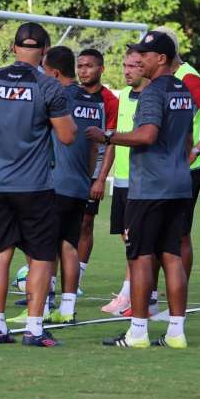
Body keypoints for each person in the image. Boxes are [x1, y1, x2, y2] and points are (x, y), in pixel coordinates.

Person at [0, 22, 75, 347]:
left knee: (0, 255)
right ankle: (34, 328)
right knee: (42, 257)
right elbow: (68, 136)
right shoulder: (48, 86)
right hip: (35, 186)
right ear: (44, 51)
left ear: (14, 48)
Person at [87, 31, 194, 348]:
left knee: (141, 258)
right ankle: (176, 333)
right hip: (178, 184)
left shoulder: (153, 92)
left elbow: (147, 135)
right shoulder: (183, 90)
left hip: (149, 187)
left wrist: (107, 137)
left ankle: (138, 332)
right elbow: (186, 140)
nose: (139, 60)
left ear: (160, 59)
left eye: (144, 55)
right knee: (172, 256)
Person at [151, 26, 200, 280]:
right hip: (163, 166)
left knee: (180, 233)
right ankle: (150, 296)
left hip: (185, 168)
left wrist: (196, 149)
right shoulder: (160, 77)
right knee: (157, 232)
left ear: (165, 53)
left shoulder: (188, 77)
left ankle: (178, 298)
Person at [39, 46, 104, 324]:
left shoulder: (55, 97)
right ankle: (67, 309)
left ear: (53, 72)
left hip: (54, 183)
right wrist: (87, 177)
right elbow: (94, 146)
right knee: (69, 245)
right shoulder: (93, 102)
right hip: (79, 184)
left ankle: (40, 308)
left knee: (44, 246)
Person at [100, 46, 150, 315]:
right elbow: (114, 139)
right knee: (127, 238)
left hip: (142, 182)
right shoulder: (124, 97)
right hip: (121, 180)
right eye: (125, 65)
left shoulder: (152, 98)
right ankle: (135, 294)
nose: (127, 71)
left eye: (134, 65)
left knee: (138, 241)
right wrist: (102, 177)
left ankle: (132, 296)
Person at [74, 49, 119, 293]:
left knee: (85, 223)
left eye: (89, 66)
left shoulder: (110, 101)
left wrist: (101, 178)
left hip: (92, 172)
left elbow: (111, 142)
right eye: (80, 66)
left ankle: (77, 278)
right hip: (68, 170)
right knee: (56, 224)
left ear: (101, 69)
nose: (83, 71)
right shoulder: (69, 94)